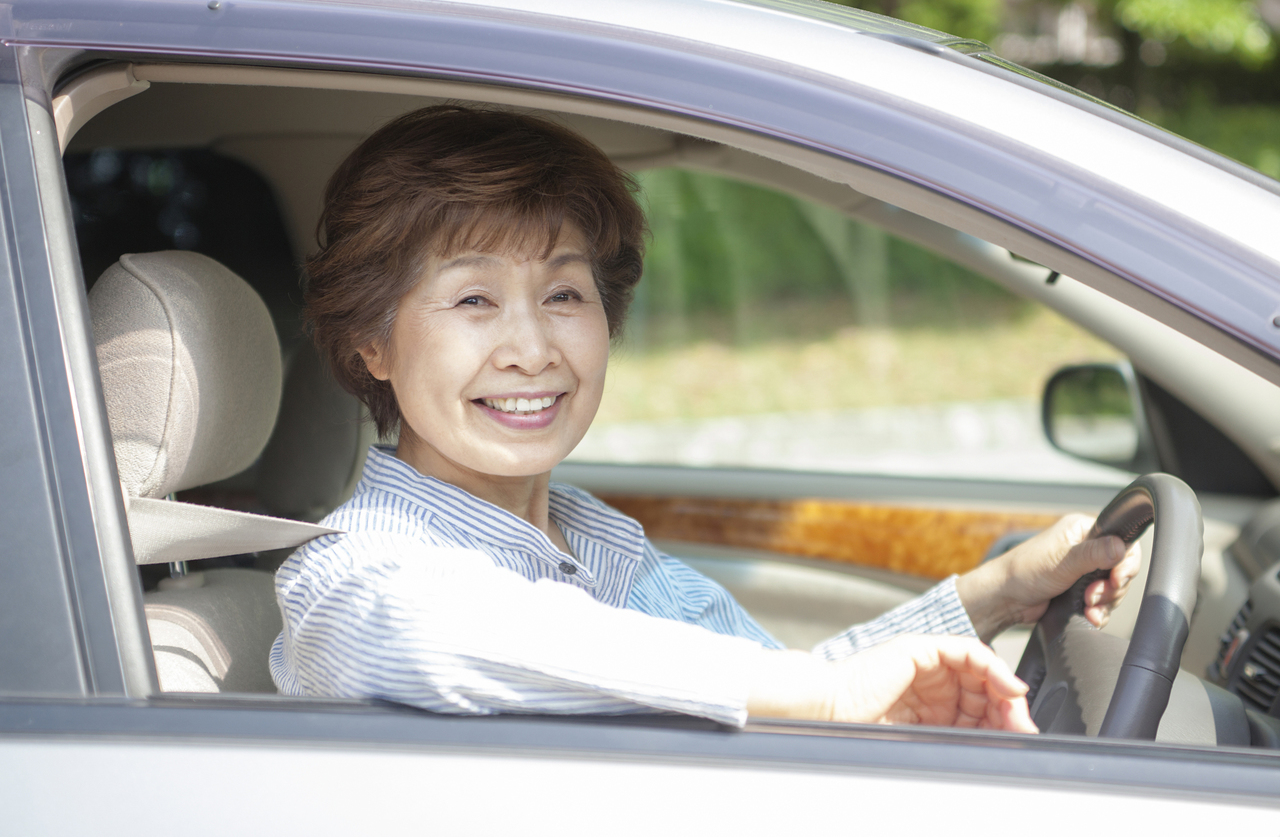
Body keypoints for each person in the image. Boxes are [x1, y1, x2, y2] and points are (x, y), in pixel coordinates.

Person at [270, 105, 1139, 731]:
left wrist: (998, 594)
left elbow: (778, 681)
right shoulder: (353, 577)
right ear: (370, 345)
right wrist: (825, 699)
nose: (531, 348)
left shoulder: (599, 541)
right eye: (473, 299)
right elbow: (455, 628)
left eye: (564, 294)